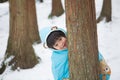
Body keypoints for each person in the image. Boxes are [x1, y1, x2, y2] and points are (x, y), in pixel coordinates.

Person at [40, 26, 111, 80]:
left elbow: (93, 53)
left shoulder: (75, 40)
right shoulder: (57, 57)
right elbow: (58, 72)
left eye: (60, 39)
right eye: (56, 45)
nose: (61, 44)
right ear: (53, 48)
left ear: (64, 35)